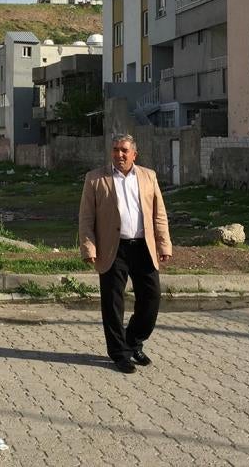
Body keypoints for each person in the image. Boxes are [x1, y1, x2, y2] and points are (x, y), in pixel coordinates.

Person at [78, 133, 172, 374]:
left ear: (134, 154)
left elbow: (158, 214)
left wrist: (164, 244)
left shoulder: (148, 176)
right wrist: (89, 247)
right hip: (113, 248)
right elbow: (86, 217)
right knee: (112, 303)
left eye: (124, 151)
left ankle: (133, 342)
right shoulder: (95, 179)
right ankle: (119, 353)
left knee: (151, 298)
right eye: (115, 150)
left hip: (143, 247)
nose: (119, 155)